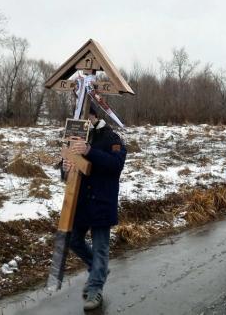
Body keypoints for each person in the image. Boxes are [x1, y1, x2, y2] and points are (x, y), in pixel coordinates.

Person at [61, 106, 127, 311]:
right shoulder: (74, 137)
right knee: (73, 240)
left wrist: (89, 151)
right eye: (77, 118)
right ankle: (99, 269)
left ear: (94, 116)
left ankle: (95, 289)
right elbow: (67, 173)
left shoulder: (111, 137)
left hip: (101, 201)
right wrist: (64, 169)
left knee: (100, 247)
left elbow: (116, 165)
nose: (81, 122)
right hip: (80, 203)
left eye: (84, 118)